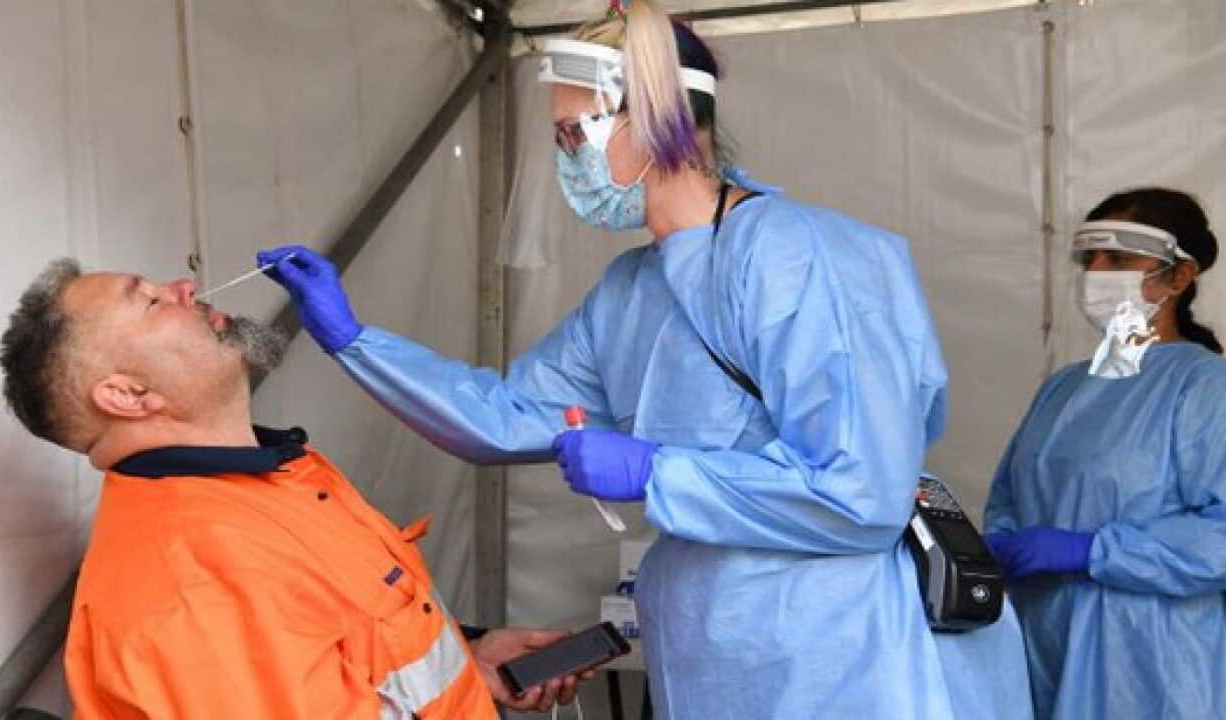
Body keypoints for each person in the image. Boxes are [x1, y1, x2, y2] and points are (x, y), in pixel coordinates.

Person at [259, 1, 1032, 717]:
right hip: (720, 650)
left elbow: (860, 495)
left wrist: (657, 471)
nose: (569, 161)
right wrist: (355, 341)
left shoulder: (804, 259)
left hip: (849, 652)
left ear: (662, 118)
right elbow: (509, 415)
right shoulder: (632, 290)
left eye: (579, 135)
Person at [0, 259, 587, 719]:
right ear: (127, 395)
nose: (183, 285)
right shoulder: (194, 576)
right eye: (150, 300)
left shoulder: (272, 479)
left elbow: (359, 650)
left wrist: (471, 660)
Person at [984, 188, 1226, 719]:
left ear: (1180, 278)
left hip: (1151, 661)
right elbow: (1009, 498)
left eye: (1117, 258)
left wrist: (1093, 550)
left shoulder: (1204, 386)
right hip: (1046, 642)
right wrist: (994, 549)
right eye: (1087, 258)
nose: (1096, 271)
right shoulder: (1063, 388)